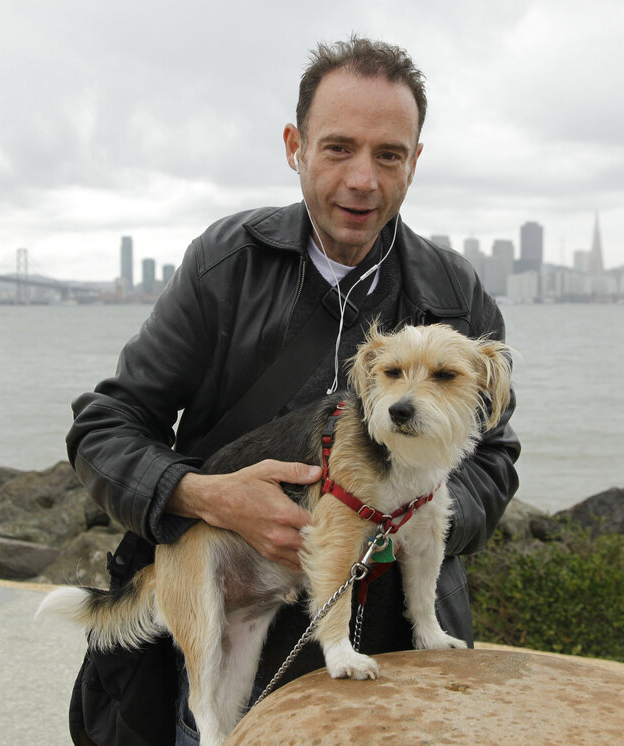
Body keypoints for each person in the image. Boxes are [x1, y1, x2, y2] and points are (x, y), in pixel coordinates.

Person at [67, 36, 520, 745]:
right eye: (338, 148)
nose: (362, 179)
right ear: (294, 147)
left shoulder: (456, 292)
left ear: (415, 162)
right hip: (228, 638)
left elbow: (495, 457)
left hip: (394, 653)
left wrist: (402, 527)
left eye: (389, 154)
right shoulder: (227, 265)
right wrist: (203, 495)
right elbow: (105, 427)